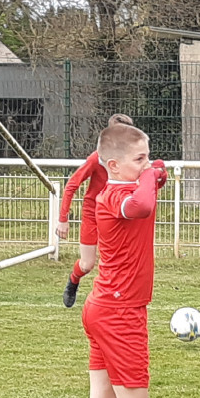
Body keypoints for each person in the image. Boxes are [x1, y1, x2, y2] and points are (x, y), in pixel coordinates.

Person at [63, 121, 189, 398]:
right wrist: (152, 177)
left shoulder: (126, 185)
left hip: (104, 309)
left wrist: (155, 174)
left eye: (148, 155)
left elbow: (149, 193)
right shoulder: (113, 193)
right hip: (119, 316)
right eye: (139, 159)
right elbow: (141, 206)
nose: (147, 164)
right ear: (114, 165)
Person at [57, 114, 134, 308]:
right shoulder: (96, 159)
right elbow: (71, 185)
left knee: (120, 260)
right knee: (87, 264)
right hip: (94, 213)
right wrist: (63, 219)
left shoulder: (131, 159)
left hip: (116, 215)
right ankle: (73, 281)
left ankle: (114, 297)